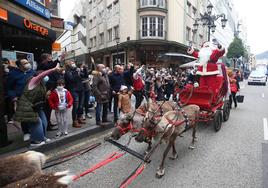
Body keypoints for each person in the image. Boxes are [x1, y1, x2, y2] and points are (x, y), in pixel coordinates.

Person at [14, 64, 60, 147]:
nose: (46, 77)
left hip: (36, 106)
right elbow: (43, 75)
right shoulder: (33, 80)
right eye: (43, 75)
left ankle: (42, 137)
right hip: (27, 106)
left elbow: (39, 95)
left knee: (44, 122)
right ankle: (35, 141)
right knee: (36, 122)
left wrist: (46, 95)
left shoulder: (41, 84)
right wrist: (53, 69)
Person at [7, 59, 35, 141]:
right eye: (25, 63)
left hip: (33, 98)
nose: (27, 64)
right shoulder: (13, 74)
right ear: (19, 66)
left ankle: (36, 131)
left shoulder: (32, 72)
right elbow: (9, 88)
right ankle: (26, 132)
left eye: (27, 62)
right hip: (21, 98)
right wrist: (13, 97)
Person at [64, 60, 86, 128]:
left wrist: (84, 69)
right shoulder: (67, 72)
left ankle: (79, 118)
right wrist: (76, 72)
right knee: (76, 106)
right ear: (68, 65)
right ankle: (74, 121)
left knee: (81, 105)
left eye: (73, 63)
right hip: (74, 90)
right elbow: (72, 79)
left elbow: (85, 75)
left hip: (81, 89)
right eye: (71, 63)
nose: (73, 64)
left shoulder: (77, 70)